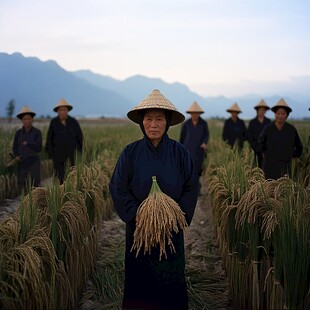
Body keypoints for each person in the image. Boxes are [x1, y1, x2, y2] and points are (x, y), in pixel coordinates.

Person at [109, 89, 199, 310]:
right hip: (139, 230)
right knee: (140, 279)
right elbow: (117, 187)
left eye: (159, 119)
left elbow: (191, 186)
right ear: (142, 122)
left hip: (171, 228)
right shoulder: (130, 153)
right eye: (149, 119)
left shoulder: (180, 153)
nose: (154, 124)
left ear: (167, 122)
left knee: (170, 279)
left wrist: (175, 215)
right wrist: (138, 214)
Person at [258, 99, 303, 180]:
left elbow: (299, 146)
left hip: (286, 165)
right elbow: (260, 144)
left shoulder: (291, 129)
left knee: (284, 188)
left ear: (286, 115)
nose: (280, 116)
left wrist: (293, 155)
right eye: (278, 113)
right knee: (270, 188)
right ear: (275, 114)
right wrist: (265, 155)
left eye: (283, 114)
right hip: (270, 165)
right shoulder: (268, 129)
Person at [45, 98, 83, 184]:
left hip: (72, 157)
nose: (62, 112)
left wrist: (79, 153)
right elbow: (49, 139)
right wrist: (51, 155)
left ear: (67, 111)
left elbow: (80, 139)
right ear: (57, 111)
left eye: (64, 109)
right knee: (59, 179)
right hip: (58, 157)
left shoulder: (74, 122)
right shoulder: (53, 123)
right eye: (60, 110)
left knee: (72, 178)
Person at [12, 106, 42, 192]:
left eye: (29, 119)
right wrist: (16, 155)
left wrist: (28, 144)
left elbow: (39, 148)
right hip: (22, 163)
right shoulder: (18, 133)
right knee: (23, 186)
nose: (27, 121)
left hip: (34, 163)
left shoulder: (37, 132)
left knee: (34, 187)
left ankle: (34, 204)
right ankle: (24, 204)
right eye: (25, 119)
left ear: (32, 120)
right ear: (22, 120)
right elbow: (14, 147)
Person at [180, 101, 209, 177]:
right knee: (188, 167)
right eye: (193, 113)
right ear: (190, 113)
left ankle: (197, 183)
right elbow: (182, 137)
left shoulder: (203, 123)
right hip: (188, 148)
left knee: (198, 167)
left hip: (199, 149)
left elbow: (206, 135)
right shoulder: (186, 124)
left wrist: (205, 143)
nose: (195, 115)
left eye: (196, 113)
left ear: (199, 113)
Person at [247, 99, 271, 168]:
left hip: (265, 150)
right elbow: (249, 136)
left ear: (265, 111)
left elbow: (270, 136)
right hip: (254, 149)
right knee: (255, 167)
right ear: (257, 110)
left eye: (263, 110)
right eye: (260, 110)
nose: (261, 111)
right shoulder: (252, 122)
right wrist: (255, 146)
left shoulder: (268, 122)